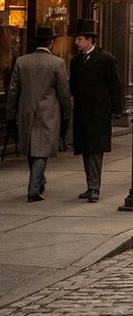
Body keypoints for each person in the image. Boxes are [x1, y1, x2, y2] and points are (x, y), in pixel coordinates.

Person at [6, 26, 71, 202]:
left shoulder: (22, 61)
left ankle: (38, 180)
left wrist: (11, 112)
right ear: (51, 43)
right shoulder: (57, 63)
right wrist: (67, 112)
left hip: (26, 111)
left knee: (31, 148)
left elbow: (13, 90)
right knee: (41, 150)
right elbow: (64, 91)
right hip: (48, 112)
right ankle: (33, 189)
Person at [68, 19, 122, 202]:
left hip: (99, 111)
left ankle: (94, 187)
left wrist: (117, 109)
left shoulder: (106, 59)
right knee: (85, 149)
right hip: (82, 112)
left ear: (90, 40)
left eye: (80, 39)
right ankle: (90, 184)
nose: (77, 42)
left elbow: (115, 85)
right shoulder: (75, 61)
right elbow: (73, 85)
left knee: (95, 150)